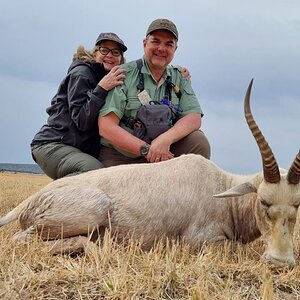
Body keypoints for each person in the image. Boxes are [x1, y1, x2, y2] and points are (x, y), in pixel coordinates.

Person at [98, 19, 211, 167]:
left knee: (199, 142)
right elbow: (106, 127)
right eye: (156, 41)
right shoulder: (123, 74)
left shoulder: (179, 77)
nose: (161, 49)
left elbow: (194, 117)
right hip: (123, 155)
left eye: (169, 44)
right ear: (145, 44)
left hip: (164, 151)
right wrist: (147, 150)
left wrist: (164, 140)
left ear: (175, 49)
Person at [31, 32, 128, 179]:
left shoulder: (113, 81)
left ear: (121, 59)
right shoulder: (81, 74)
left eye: (115, 52)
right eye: (104, 50)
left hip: (79, 149)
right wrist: (101, 89)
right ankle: (54, 200)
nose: (110, 55)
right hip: (53, 144)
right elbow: (82, 121)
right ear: (95, 53)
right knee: (92, 170)